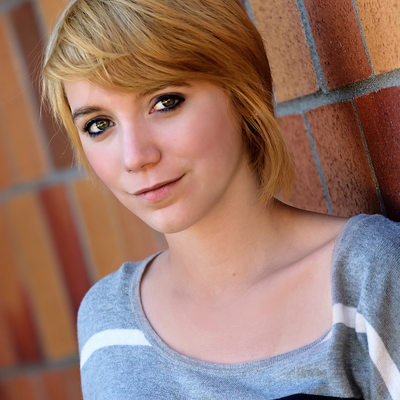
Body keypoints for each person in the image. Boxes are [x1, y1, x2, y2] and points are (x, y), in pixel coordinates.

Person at [42, 0, 400, 399]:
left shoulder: (367, 276)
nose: (135, 156)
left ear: (240, 93)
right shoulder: (107, 323)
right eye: (99, 125)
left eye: (165, 102)